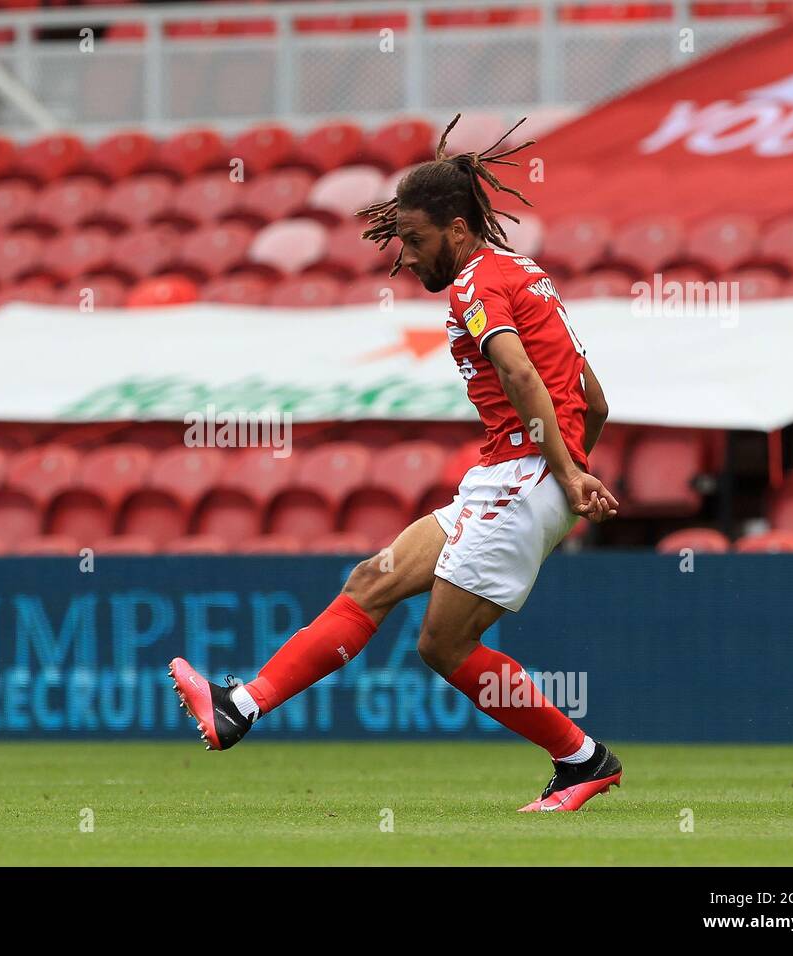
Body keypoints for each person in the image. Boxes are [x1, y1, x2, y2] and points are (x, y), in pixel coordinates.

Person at [170, 116, 623, 812]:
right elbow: (593, 398)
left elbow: (524, 377)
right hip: (513, 474)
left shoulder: (476, 286)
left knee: (443, 646)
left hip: (525, 475)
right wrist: (572, 470)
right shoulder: (526, 276)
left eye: (415, 239)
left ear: (460, 231)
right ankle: (242, 707)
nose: (406, 256)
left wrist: (561, 477)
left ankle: (582, 760)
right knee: (374, 578)